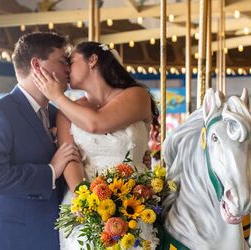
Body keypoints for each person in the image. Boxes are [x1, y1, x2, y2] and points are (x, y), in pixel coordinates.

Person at [33, 41, 160, 249]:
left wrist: (56, 96)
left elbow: (96, 123)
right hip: (87, 203)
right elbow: (70, 158)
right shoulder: (68, 110)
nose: (66, 69)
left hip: (134, 198)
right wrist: (87, 200)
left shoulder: (137, 95)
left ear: (92, 60)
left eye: (71, 62)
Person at [0, 32, 81, 250]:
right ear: (37, 64)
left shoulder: (59, 115)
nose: (68, 69)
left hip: (48, 236)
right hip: (5, 238)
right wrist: (50, 171)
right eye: (62, 61)